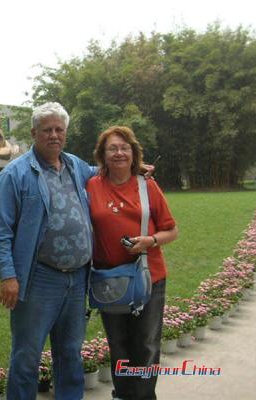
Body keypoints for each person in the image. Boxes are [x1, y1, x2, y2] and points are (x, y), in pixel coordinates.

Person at [0, 102, 96, 400]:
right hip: (38, 281)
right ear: (34, 133)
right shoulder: (15, 175)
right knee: (26, 356)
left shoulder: (75, 166)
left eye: (59, 130)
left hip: (77, 281)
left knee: (71, 353)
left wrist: (133, 166)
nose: (54, 135)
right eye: (47, 130)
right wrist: (7, 275)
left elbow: (106, 172)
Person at [85, 126, 178, 400]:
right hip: (108, 281)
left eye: (124, 148)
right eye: (112, 148)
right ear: (102, 154)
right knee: (119, 345)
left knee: (146, 346)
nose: (118, 153)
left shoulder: (147, 186)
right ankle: (123, 395)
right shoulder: (92, 185)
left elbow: (171, 230)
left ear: (133, 152)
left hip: (148, 278)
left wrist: (149, 240)